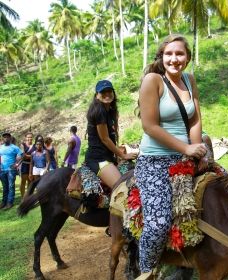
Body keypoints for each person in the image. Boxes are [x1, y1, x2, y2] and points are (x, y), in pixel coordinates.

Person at [135, 34, 207, 279]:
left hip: (185, 158)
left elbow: (195, 118)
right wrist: (186, 148)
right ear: (161, 56)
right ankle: (146, 270)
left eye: (180, 54)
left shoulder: (190, 79)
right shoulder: (153, 81)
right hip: (154, 161)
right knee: (158, 224)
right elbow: (149, 126)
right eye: (169, 54)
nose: (174, 59)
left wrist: (196, 149)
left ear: (187, 57)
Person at [84, 79, 137, 189]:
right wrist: (123, 155)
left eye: (109, 91)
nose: (107, 94)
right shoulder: (99, 111)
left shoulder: (110, 111)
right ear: (97, 95)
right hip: (99, 159)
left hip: (108, 156)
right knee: (122, 188)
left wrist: (117, 154)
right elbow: (105, 139)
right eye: (103, 92)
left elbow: (113, 136)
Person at [0, 132, 23, 210]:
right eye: (4, 137)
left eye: (7, 137)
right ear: (3, 138)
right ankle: (3, 202)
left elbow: (23, 155)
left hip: (11, 170)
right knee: (5, 186)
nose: (6, 138)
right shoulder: (1, 147)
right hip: (2, 170)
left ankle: (10, 203)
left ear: (10, 138)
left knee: (11, 186)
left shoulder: (14, 147)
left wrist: (17, 164)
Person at [19, 132, 36, 198]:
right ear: (25, 138)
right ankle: (22, 197)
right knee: (23, 181)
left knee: (30, 182)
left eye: (31, 137)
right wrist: (32, 155)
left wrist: (28, 155)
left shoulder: (35, 146)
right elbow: (23, 156)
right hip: (24, 165)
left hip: (32, 166)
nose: (29, 138)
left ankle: (28, 197)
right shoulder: (22, 145)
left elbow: (36, 155)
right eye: (28, 137)